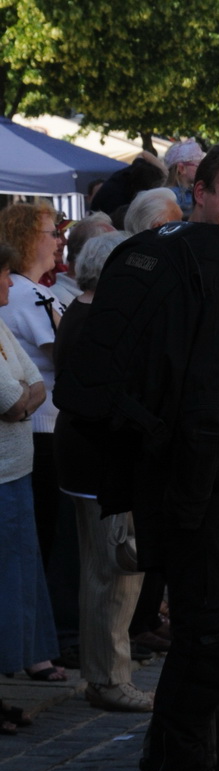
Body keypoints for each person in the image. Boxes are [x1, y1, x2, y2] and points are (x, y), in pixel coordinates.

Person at [56, 140, 219, 771]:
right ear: (199, 191)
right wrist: (183, 473)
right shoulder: (193, 254)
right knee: (207, 644)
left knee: (213, 642)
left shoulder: (198, 259)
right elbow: (195, 388)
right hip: (195, 487)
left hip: (209, 482)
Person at [53, 231, 149, 714]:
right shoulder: (100, 317)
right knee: (115, 574)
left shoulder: (79, 310)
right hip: (102, 464)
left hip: (86, 460)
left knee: (103, 572)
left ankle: (104, 675)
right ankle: (111, 678)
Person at [0, 199, 65, 619]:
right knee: (43, 537)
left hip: (45, 424)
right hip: (39, 433)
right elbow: (67, 357)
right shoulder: (27, 294)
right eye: (51, 232)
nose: (60, 240)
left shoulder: (35, 291)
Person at [0, 240, 59, 703]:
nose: (9, 282)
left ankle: (28, 656)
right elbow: (12, 397)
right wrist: (21, 401)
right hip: (4, 469)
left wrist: (23, 400)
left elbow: (34, 385)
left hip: (19, 464)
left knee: (25, 563)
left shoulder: (1, 323)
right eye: (4, 275)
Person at [163, 140, 206, 214]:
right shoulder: (174, 197)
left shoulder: (166, 193)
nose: (201, 168)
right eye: (198, 164)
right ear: (181, 169)